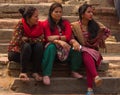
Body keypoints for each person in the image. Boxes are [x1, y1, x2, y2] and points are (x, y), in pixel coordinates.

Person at [70, 3, 110, 95]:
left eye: (92, 12)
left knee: (88, 56)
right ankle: (91, 85)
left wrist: (99, 40)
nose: (91, 14)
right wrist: (74, 42)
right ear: (82, 14)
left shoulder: (96, 25)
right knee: (86, 54)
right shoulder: (75, 26)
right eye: (89, 12)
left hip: (94, 52)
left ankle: (90, 88)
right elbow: (70, 37)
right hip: (82, 51)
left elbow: (107, 31)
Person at [42, 2, 83, 85]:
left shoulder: (66, 23)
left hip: (65, 47)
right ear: (51, 12)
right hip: (52, 47)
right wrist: (60, 40)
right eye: (56, 12)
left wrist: (56, 38)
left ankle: (74, 71)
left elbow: (68, 36)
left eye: (60, 12)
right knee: (51, 47)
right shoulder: (45, 23)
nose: (58, 14)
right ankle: (46, 74)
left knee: (76, 48)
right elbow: (48, 38)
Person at [8, 6, 44, 81]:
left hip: (30, 53)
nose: (38, 18)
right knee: (26, 46)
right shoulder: (20, 24)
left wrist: (27, 39)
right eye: (35, 16)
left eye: (38, 16)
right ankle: (23, 72)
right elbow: (17, 41)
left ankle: (35, 72)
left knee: (39, 46)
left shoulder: (38, 25)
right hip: (16, 53)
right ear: (28, 18)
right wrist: (32, 40)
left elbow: (41, 39)